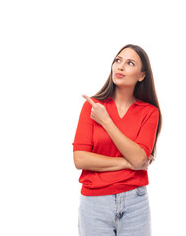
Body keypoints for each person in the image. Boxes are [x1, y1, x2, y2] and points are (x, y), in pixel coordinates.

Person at [72, 44, 162, 236]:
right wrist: (127, 163)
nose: (120, 67)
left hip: (135, 202)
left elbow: (139, 159)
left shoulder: (149, 112)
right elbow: (80, 160)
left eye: (130, 63)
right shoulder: (92, 107)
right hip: (95, 203)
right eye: (118, 60)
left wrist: (106, 121)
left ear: (141, 75)